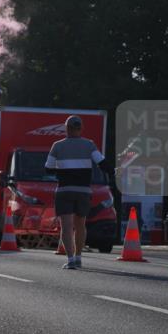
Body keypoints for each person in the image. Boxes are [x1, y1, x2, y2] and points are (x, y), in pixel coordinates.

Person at [44, 115, 109, 269]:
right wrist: (113, 171)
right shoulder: (89, 144)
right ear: (81, 129)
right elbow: (102, 163)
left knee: (66, 226)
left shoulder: (57, 146)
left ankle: (70, 260)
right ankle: (79, 257)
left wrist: (62, 171)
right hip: (83, 191)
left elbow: (48, 168)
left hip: (64, 190)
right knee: (80, 225)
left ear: (66, 128)